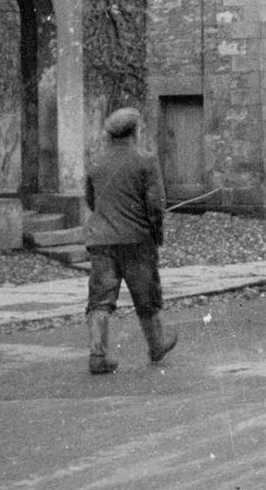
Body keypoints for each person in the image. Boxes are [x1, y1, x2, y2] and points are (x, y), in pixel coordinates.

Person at [83, 106, 178, 374]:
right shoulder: (146, 161)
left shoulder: (96, 163)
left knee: (100, 298)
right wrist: (157, 235)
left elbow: (91, 201)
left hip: (101, 240)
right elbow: (156, 206)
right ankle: (156, 344)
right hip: (136, 240)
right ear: (135, 131)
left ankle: (98, 355)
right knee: (146, 296)